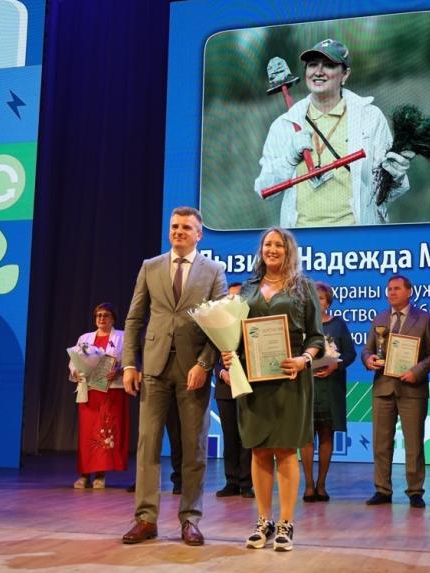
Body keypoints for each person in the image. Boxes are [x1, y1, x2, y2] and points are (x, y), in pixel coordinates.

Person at [121, 206, 227, 546]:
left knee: (193, 449)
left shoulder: (214, 271)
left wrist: (204, 364)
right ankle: (145, 518)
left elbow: (222, 326)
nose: (178, 231)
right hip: (152, 368)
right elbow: (135, 319)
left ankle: (190, 520)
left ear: (199, 234)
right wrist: (128, 364)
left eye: (186, 228)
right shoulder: (150, 267)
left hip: (192, 371)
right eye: (174, 226)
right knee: (148, 444)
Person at [222, 227, 324, 551]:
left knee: (286, 450)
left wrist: (304, 359)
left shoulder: (304, 287)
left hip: (290, 380)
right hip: (254, 381)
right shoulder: (248, 288)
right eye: (268, 244)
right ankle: (263, 521)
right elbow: (234, 334)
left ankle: (286, 523)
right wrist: (229, 358)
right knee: (259, 450)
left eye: (279, 244)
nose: (273, 249)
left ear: (289, 250)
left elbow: (316, 337)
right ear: (261, 249)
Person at [255, 38, 413, 228]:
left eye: (329, 65)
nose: (318, 72)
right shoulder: (283, 125)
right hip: (301, 243)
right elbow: (264, 191)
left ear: (345, 75)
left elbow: (387, 193)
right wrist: (289, 158)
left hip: (355, 239)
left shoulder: (370, 117)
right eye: (312, 65)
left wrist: (396, 176)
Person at [362, 274, 430, 508]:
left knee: (414, 442)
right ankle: (382, 490)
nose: (391, 293)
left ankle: (415, 491)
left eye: (396, 288)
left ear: (409, 292)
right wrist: (369, 360)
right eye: (389, 289)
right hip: (383, 387)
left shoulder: (425, 319)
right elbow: (366, 350)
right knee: (380, 443)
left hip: (412, 388)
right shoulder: (380, 318)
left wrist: (417, 371)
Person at [301, 281, 357, 502]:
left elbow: (351, 354)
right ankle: (308, 485)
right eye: (314, 298)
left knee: (326, 434)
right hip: (306, 387)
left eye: (321, 298)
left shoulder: (338, 325)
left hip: (330, 387)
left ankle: (322, 485)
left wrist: (336, 365)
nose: (318, 302)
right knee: (306, 436)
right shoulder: (301, 326)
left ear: (328, 302)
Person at [68, 302, 128, 490]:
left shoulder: (122, 337)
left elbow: (130, 360)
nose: (101, 318)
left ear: (113, 318)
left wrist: (119, 370)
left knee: (105, 433)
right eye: (98, 315)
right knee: (87, 433)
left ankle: (100, 475)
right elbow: (74, 361)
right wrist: (75, 372)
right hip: (90, 391)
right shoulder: (85, 338)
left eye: (106, 315)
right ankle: (84, 474)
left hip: (111, 392)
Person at [213, 282, 254, 499]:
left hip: (248, 386)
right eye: (229, 297)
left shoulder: (251, 324)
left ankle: (247, 483)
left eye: (237, 297)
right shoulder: (217, 325)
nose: (232, 301)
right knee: (229, 436)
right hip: (224, 388)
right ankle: (231, 481)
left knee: (246, 436)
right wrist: (223, 374)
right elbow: (212, 359)